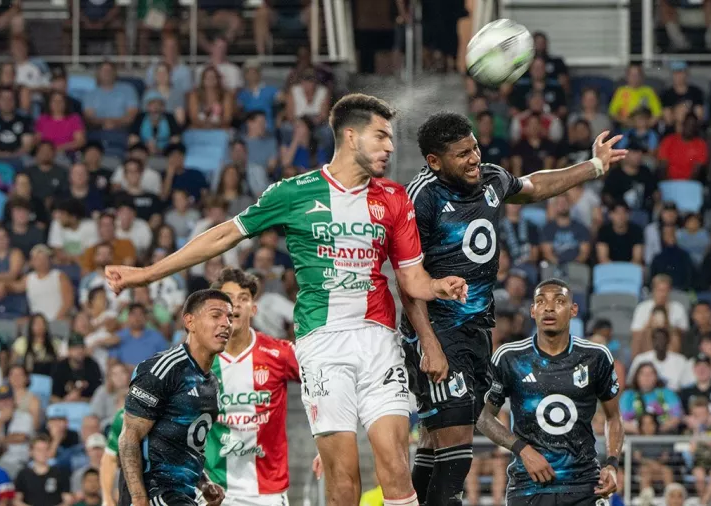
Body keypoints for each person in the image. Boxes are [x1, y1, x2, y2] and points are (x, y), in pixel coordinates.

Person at [106, 94, 469, 506]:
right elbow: (225, 234)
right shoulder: (294, 193)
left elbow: (412, 279)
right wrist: (148, 273)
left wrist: (439, 286)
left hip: (379, 341)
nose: (390, 147)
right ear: (350, 136)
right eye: (381, 136)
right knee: (344, 480)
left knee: (396, 470)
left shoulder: (394, 197)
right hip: (322, 344)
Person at [400, 112, 624, 506]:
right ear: (435, 161)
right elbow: (407, 278)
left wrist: (593, 166)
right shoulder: (423, 196)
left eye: (474, 148)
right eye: (462, 154)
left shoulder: (489, 177)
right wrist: (429, 344)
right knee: (455, 436)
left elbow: (534, 187)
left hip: (475, 330)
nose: (474, 159)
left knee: (437, 440)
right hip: (436, 327)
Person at [476, 278, 623, 505]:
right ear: (533, 311)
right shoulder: (509, 357)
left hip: (585, 486)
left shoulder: (596, 357)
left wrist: (612, 464)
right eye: (541, 301)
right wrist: (523, 451)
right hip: (528, 486)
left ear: (574, 310)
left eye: (560, 301)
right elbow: (483, 417)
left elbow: (614, 417)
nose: (549, 307)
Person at [118, 289, 230, 506]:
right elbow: (129, 437)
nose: (226, 323)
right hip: (155, 492)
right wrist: (139, 498)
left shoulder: (211, 382)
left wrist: (204, 484)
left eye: (229, 317)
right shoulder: (162, 370)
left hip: (182, 495)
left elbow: (188, 446)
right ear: (190, 322)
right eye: (216, 315)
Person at [204, 268, 299, 504]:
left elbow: (322, 383)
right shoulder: (200, 360)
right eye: (228, 298)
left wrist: (327, 442)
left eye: (243, 299)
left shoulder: (280, 353)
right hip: (214, 491)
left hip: (267, 492)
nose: (235, 305)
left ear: (253, 309)